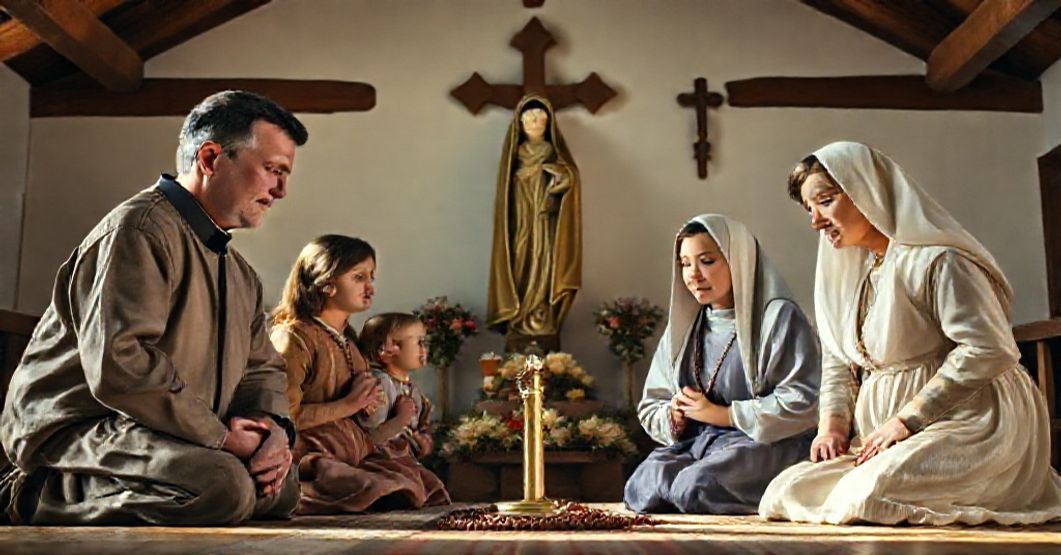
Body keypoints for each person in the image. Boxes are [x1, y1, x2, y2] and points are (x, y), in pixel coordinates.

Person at [0, 90, 308, 525]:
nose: (281, 190)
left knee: (280, 487)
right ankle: (34, 492)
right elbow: (119, 365)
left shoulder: (240, 273)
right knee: (225, 487)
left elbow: (262, 370)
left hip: (174, 432)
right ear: (210, 158)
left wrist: (271, 430)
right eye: (272, 170)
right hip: (82, 429)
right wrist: (219, 437)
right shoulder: (139, 230)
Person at [760, 141, 1061, 525]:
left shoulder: (938, 260)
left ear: (867, 190)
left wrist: (907, 420)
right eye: (809, 209)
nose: (815, 220)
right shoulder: (856, 274)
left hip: (971, 421)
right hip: (886, 435)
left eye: (826, 201)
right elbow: (839, 357)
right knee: (784, 493)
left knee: (867, 496)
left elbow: (987, 348)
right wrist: (833, 426)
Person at [624, 214, 820, 514]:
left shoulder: (777, 318)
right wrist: (674, 415)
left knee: (696, 486)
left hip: (764, 441)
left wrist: (723, 414)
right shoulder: (687, 327)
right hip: (702, 442)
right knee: (644, 485)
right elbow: (653, 402)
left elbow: (805, 400)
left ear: (737, 260)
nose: (693, 275)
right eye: (685, 263)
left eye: (706, 261)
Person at [270, 236, 449, 514]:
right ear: (326, 283)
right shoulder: (295, 337)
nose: (370, 288)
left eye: (372, 277)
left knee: (418, 481)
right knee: (364, 484)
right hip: (312, 456)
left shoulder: (350, 344)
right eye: (358, 277)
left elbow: (369, 424)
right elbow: (281, 416)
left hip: (357, 452)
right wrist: (347, 405)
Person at [486, 94, 581, 353]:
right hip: (521, 222)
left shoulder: (553, 153)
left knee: (545, 263)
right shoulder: (515, 155)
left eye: (540, 119)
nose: (534, 123)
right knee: (520, 265)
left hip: (545, 222)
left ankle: (541, 315)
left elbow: (569, 181)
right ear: (519, 124)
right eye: (528, 118)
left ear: (548, 123)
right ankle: (520, 318)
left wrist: (561, 180)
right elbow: (506, 193)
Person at [357, 313, 450, 502]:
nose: (424, 349)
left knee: (430, 486)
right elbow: (369, 439)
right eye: (419, 343)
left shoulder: (412, 389)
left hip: (403, 460)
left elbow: (416, 430)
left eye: (425, 343)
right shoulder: (380, 384)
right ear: (386, 350)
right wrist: (400, 419)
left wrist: (422, 441)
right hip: (379, 462)